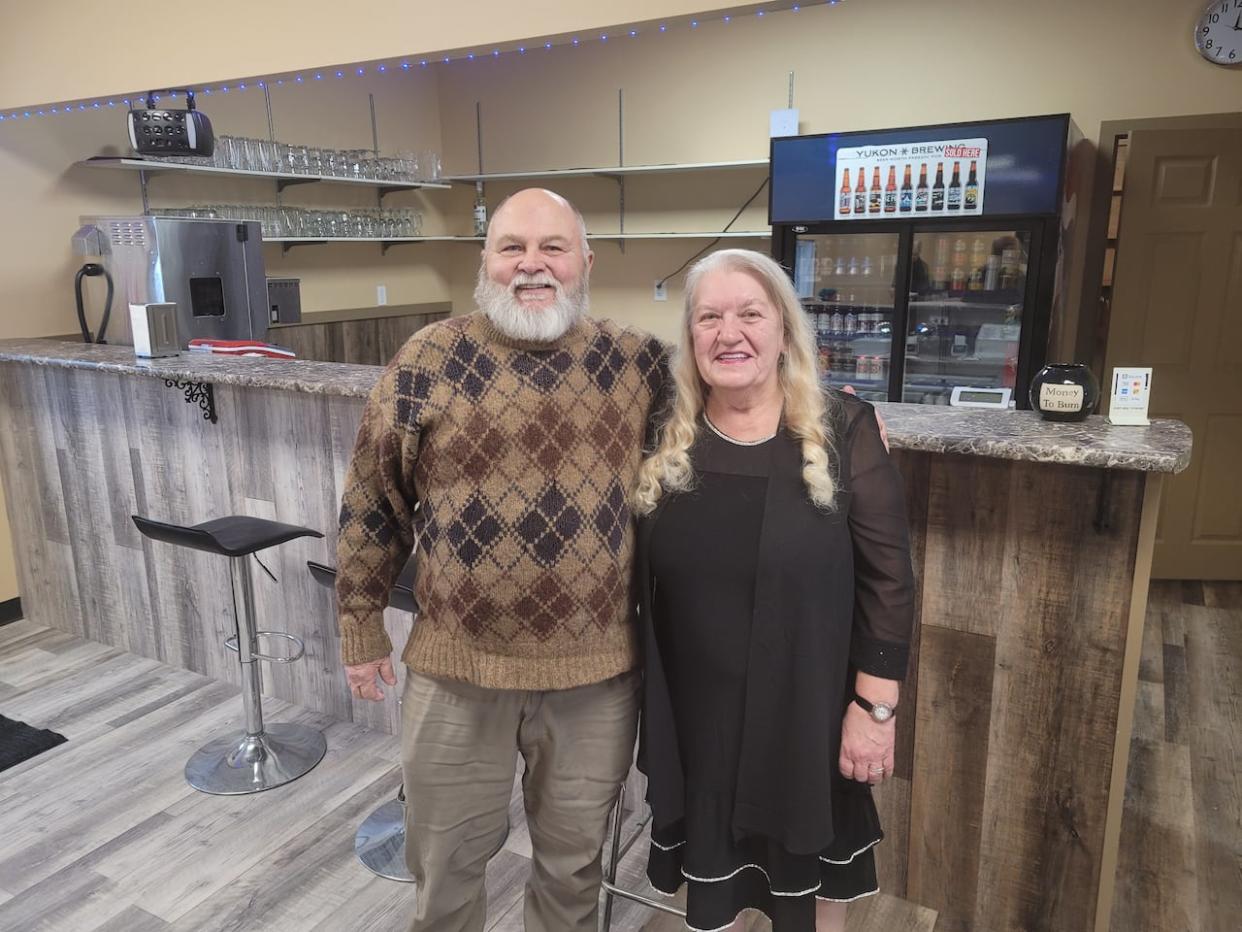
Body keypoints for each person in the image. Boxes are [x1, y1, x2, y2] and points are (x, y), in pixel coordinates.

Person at [333, 188, 668, 932]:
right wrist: (359, 625)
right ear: (485, 261)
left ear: (586, 260)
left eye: (552, 247)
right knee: (444, 866)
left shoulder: (639, 362)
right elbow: (371, 498)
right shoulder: (428, 357)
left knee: (573, 870)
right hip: (458, 672)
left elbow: (726, 424)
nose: (532, 264)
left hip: (596, 677)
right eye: (512, 246)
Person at [632, 248, 915, 932]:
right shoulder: (660, 431)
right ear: (691, 337)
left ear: (784, 330)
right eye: (709, 317)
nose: (730, 333)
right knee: (714, 894)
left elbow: (890, 578)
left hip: (809, 713)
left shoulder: (843, 431)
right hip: (701, 719)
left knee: (814, 895)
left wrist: (874, 708)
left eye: (750, 314)